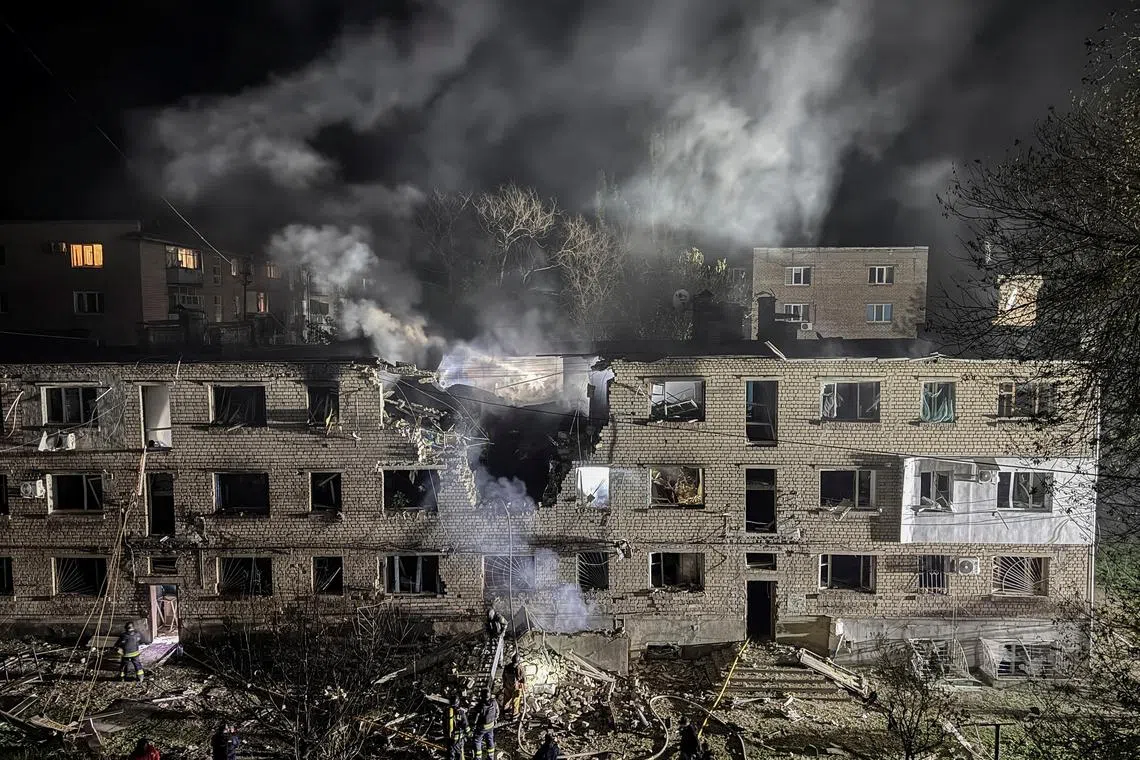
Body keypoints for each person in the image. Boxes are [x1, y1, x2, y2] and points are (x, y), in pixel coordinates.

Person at [472, 687, 499, 759]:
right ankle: (490, 757)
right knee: (490, 740)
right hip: (491, 725)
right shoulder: (494, 702)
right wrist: (495, 719)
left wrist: (473, 725)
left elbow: (475, 718)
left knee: (477, 741)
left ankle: (478, 757)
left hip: (482, 727)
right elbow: (497, 712)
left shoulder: (480, 705)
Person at [501, 652, 525, 718]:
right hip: (515, 687)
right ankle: (514, 714)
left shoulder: (507, 667)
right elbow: (522, 678)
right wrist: (523, 686)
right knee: (516, 701)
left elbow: (503, 676)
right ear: (518, 661)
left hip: (507, 686)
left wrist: (504, 685)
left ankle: (505, 710)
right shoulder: (519, 668)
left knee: (506, 699)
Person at [446, 695, 469, 760]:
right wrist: (469, 733)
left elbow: (444, 724)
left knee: (450, 754)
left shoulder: (447, 712)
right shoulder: (461, 713)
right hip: (459, 739)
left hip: (450, 738)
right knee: (459, 754)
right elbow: (466, 725)